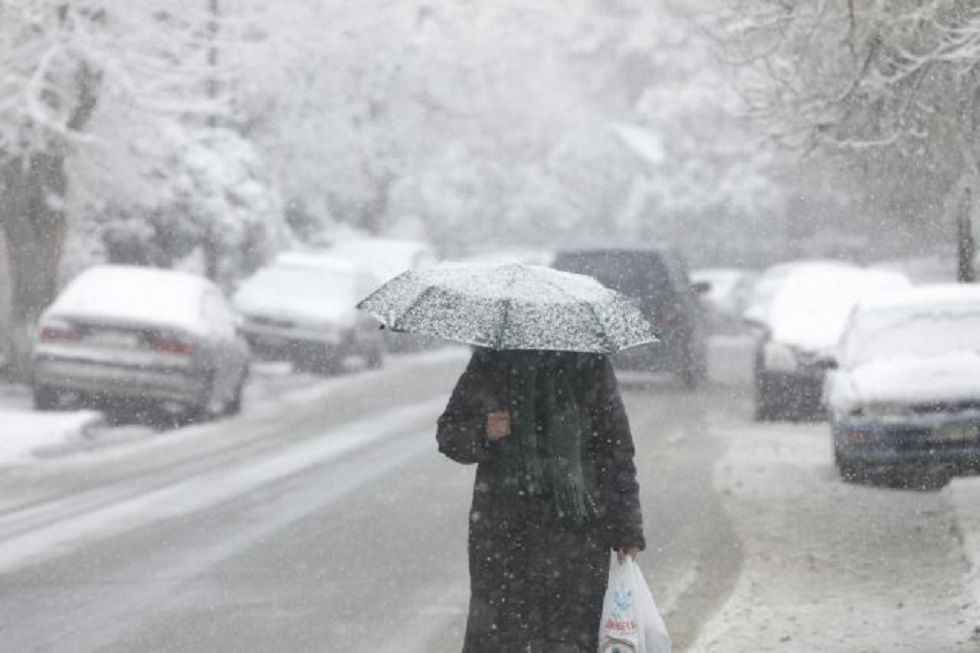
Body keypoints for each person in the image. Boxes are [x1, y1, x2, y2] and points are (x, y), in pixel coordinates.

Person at [437, 347, 646, 652]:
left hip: (577, 536)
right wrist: (483, 430)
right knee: (504, 638)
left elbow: (616, 450)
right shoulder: (492, 361)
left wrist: (627, 527)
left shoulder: (589, 363)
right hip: (504, 536)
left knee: (570, 638)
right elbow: (449, 433)